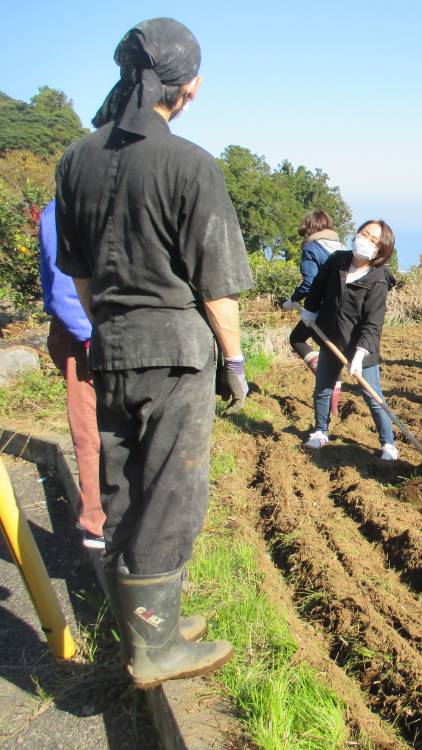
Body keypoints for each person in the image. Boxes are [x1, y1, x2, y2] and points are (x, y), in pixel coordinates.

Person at [55, 18, 252, 688]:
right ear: (187, 87)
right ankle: (155, 650)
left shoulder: (75, 160)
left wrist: (107, 321)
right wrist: (235, 361)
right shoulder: (190, 164)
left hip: (107, 342)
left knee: (122, 485)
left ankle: (151, 623)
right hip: (174, 352)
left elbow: (78, 274)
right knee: (171, 492)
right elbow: (216, 287)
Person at [38, 200, 106, 550]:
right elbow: (63, 284)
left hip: (120, 327)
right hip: (86, 332)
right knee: (90, 427)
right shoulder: (64, 209)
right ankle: (96, 521)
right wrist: (91, 336)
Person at [299, 220, 398, 460]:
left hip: (362, 346)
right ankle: (321, 431)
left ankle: (389, 444)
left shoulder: (378, 279)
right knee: (323, 388)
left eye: (373, 241)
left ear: (380, 251)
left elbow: (373, 323)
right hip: (331, 337)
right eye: (364, 234)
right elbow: (318, 287)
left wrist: (361, 353)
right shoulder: (338, 261)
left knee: (372, 396)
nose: (365, 241)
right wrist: (310, 310)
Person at [282, 209, 348, 414]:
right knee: (332, 354)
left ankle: (322, 376)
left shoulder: (311, 248)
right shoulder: (341, 247)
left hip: (320, 311)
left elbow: (309, 283)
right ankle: (334, 409)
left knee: (297, 339)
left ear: (309, 228)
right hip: (343, 311)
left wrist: (292, 300)